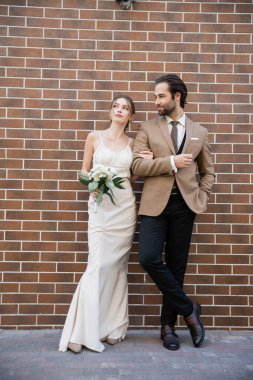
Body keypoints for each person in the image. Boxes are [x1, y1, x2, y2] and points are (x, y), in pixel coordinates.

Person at [59, 94, 152, 353]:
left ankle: (112, 326)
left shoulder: (133, 144)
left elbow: (132, 179)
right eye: (116, 106)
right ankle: (81, 331)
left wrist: (145, 159)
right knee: (97, 265)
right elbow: (84, 170)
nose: (119, 110)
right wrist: (92, 184)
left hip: (123, 210)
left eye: (125, 108)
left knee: (116, 267)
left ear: (131, 117)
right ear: (110, 112)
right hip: (100, 208)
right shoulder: (93, 137)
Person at [132, 74, 215, 351]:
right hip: (155, 205)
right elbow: (136, 167)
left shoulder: (199, 131)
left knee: (177, 267)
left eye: (160, 96)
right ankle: (190, 309)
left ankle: (168, 327)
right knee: (148, 258)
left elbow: (208, 171)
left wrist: (200, 197)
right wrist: (169, 162)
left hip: (185, 207)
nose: (156, 101)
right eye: (156, 96)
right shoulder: (147, 127)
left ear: (176, 96)